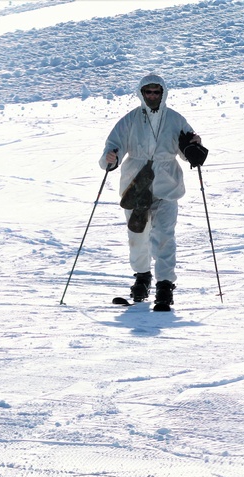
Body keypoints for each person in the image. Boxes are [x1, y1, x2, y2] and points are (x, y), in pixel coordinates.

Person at [100, 73, 206, 309]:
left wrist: (194, 146)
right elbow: (113, 145)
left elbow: (187, 146)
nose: (152, 96)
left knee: (164, 237)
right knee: (137, 235)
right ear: (141, 93)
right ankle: (142, 277)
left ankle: (165, 286)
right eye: (148, 92)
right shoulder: (129, 120)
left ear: (163, 93)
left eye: (156, 92)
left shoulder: (176, 119)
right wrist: (111, 158)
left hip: (167, 186)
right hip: (135, 187)